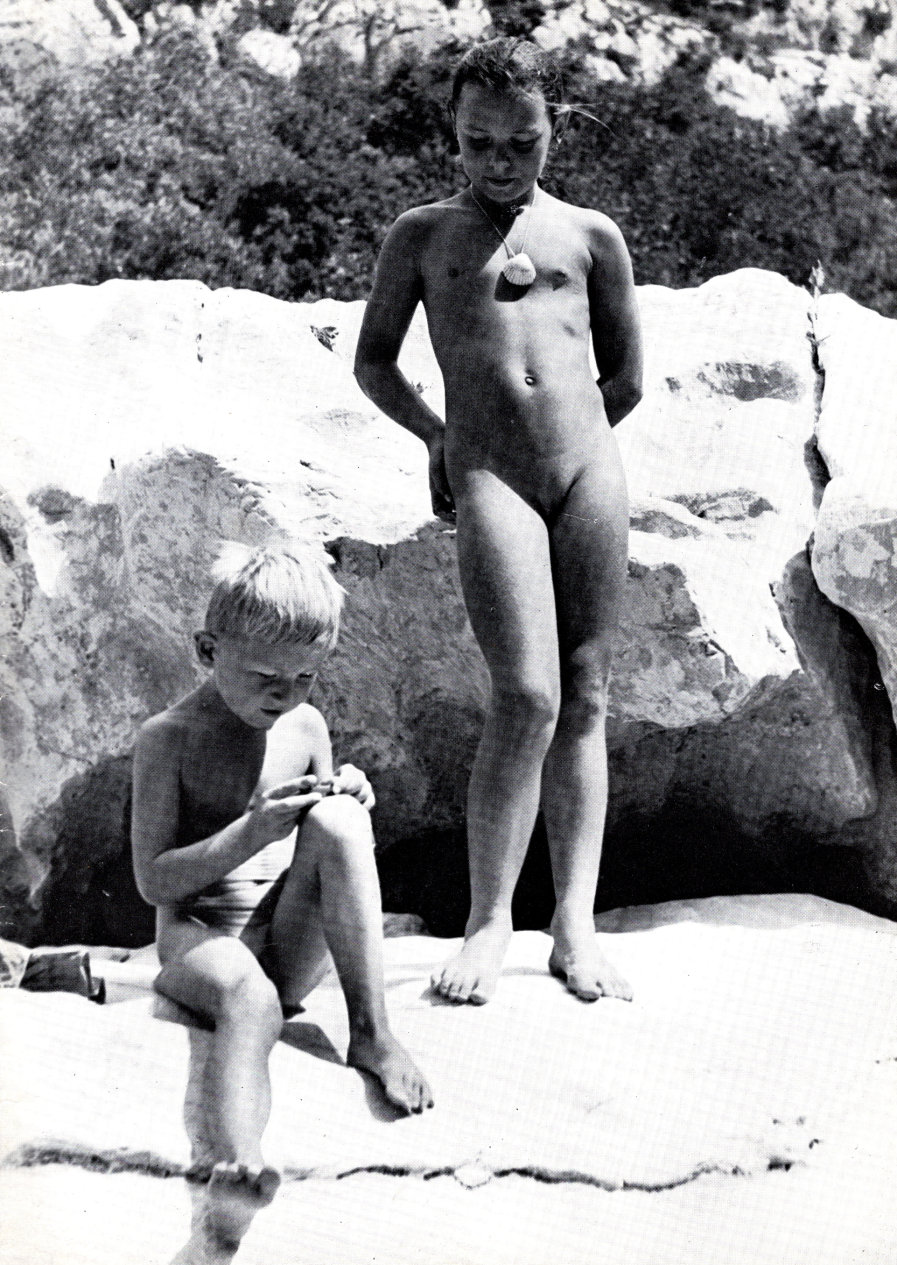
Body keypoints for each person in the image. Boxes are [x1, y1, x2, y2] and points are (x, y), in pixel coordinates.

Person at [354, 37, 643, 1006]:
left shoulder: (591, 236)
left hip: (588, 471)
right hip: (490, 477)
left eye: (522, 143)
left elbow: (626, 378)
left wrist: (572, 438)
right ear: (452, 130)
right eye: (478, 142)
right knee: (526, 694)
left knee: (587, 693)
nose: (500, 162)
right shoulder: (422, 235)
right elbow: (374, 362)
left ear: (555, 130)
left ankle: (575, 925)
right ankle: (489, 920)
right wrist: (441, 437)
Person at [131, 543, 432, 1249]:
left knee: (342, 819)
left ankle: (371, 1031)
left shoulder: (305, 726)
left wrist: (347, 792)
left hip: (285, 940)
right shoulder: (167, 740)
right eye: (266, 676)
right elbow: (153, 882)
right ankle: (239, 1167)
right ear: (208, 650)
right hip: (201, 939)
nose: (285, 694)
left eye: (305, 676)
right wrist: (249, 832)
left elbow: (320, 839)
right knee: (253, 1000)